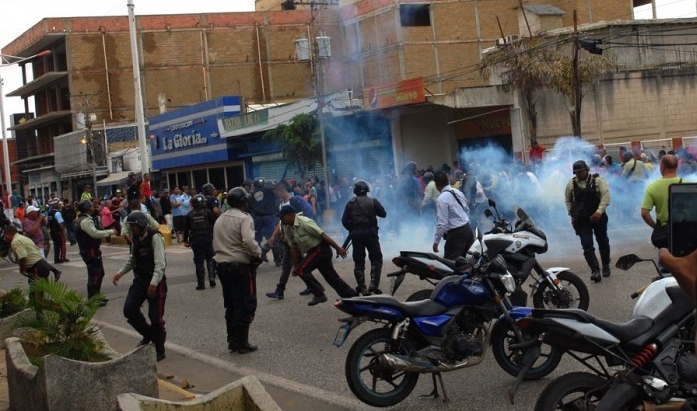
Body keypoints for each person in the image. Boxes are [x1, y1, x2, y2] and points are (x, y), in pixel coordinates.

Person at [112, 211, 168, 362]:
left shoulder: (155, 237)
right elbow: (133, 259)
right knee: (129, 309)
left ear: (142, 224)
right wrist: (120, 273)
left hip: (156, 282)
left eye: (135, 226)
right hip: (140, 280)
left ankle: (159, 348)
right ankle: (148, 335)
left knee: (155, 317)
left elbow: (160, 264)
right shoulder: (135, 239)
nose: (133, 229)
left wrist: (153, 284)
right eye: (131, 226)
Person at [212, 187, 262, 354]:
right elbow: (248, 241)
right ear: (243, 202)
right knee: (246, 304)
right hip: (240, 267)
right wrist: (257, 253)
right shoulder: (244, 218)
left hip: (222, 267)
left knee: (231, 304)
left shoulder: (220, 219)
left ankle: (232, 340)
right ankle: (242, 342)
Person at [279, 205, 358, 306]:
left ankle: (319, 294)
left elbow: (323, 236)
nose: (281, 220)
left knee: (302, 270)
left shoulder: (305, 223)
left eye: (282, 217)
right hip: (312, 251)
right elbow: (292, 248)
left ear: (290, 215)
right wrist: (295, 265)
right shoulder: (287, 227)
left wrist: (338, 249)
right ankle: (352, 296)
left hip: (321, 249)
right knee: (331, 277)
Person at [565, 160, 612, 283]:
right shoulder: (571, 184)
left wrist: (599, 212)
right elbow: (568, 200)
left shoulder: (598, 181)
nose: (579, 174)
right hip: (581, 219)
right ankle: (595, 271)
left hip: (598, 217)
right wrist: (572, 214)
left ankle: (606, 265)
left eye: (581, 171)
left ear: (586, 170)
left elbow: (605, 197)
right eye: (577, 172)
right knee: (587, 245)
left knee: (603, 241)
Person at [341, 180, 387, 295]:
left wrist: (352, 229)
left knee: (359, 261)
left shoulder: (350, 203)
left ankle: (362, 287)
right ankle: (374, 285)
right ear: (367, 190)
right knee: (376, 258)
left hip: (356, 235)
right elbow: (383, 214)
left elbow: (344, 221)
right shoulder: (373, 201)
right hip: (371, 233)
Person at [75, 199, 115, 304]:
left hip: (90, 249)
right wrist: (110, 232)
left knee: (99, 273)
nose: (94, 207)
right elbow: (94, 233)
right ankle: (93, 299)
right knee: (95, 274)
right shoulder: (85, 220)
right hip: (90, 250)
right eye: (91, 206)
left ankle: (96, 297)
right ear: (87, 208)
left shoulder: (83, 219)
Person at [640, 154, 683, 249]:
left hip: (664, 233)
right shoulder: (688, 184)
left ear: (662, 167)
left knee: (665, 260)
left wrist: (656, 227)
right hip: (685, 230)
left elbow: (644, 213)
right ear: (677, 167)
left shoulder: (652, 187)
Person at [432, 171, 474, 260]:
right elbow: (466, 209)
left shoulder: (441, 199)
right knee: (468, 262)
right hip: (468, 230)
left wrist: (436, 242)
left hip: (456, 234)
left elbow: (442, 223)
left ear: (436, 184)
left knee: (450, 264)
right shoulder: (457, 192)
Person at [183, 194, 217, 290]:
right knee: (210, 258)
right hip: (207, 238)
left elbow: (186, 229)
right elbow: (214, 224)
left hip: (196, 240)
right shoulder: (208, 212)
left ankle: (201, 283)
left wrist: (185, 240)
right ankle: (211, 277)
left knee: (199, 261)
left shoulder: (190, 214)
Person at [249, 177, 281, 265]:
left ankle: (258, 256)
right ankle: (276, 259)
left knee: (256, 238)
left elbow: (249, 206)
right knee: (273, 237)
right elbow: (276, 192)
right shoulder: (268, 189)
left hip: (257, 218)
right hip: (268, 216)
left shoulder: (251, 194)